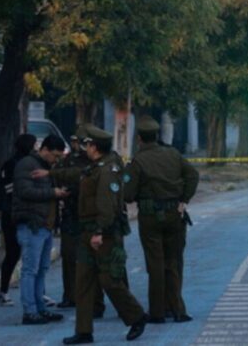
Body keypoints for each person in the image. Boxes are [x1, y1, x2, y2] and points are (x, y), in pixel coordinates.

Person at [44, 126, 148, 344]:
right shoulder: (94, 167)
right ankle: (84, 331)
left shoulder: (108, 169)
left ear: (94, 147)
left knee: (110, 281)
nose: (84, 149)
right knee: (83, 282)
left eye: (87, 145)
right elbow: (75, 173)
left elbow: (106, 205)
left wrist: (99, 231)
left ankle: (136, 316)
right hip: (87, 232)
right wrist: (50, 172)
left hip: (103, 234)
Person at [123, 115, 199, 324]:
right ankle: (178, 310)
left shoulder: (138, 161)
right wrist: (184, 198)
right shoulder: (173, 154)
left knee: (155, 264)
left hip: (150, 218)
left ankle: (157, 312)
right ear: (156, 136)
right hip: (175, 214)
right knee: (173, 262)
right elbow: (193, 174)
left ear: (139, 138)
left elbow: (128, 194)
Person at [12, 134, 68, 324]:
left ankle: (40, 308)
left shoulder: (46, 167)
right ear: (44, 150)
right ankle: (30, 311)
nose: (56, 160)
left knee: (42, 269)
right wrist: (52, 193)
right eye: (55, 155)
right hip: (32, 224)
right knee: (30, 270)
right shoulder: (27, 164)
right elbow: (24, 191)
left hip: (45, 225)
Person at [53, 130, 107, 317]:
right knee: (69, 256)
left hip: (92, 217)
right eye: (75, 142)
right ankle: (71, 295)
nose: (79, 146)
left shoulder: (101, 161)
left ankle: (100, 300)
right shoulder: (69, 160)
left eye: (82, 142)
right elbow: (59, 175)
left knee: (99, 261)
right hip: (72, 213)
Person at [0, 134, 37, 306]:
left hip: (20, 213)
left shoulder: (26, 163)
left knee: (28, 254)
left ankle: (35, 293)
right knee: (14, 253)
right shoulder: (14, 165)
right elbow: (9, 189)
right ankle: (4, 291)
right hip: (14, 213)